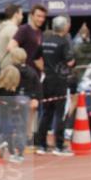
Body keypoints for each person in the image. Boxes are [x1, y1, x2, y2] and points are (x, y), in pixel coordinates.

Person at [35, 15, 74, 156]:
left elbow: (35, 58)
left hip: (47, 80)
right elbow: (70, 62)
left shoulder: (45, 40)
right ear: (65, 27)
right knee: (60, 113)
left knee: (46, 113)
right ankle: (59, 146)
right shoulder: (64, 42)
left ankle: (42, 145)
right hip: (60, 81)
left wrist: (45, 69)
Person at [0, 65, 27, 162]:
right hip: (9, 115)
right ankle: (13, 153)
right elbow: (14, 104)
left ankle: (1, 144)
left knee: (3, 132)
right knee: (10, 134)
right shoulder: (12, 92)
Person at [8, 4, 47, 72]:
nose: (41, 19)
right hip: (25, 73)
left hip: (36, 73)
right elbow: (11, 47)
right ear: (32, 16)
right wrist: (22, 65)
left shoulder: (40, 32)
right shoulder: (24, 29)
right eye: (38, 16)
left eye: (43, 17)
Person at [0, 4, 23, 70]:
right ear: (16, 14)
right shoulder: (12, 29)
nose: (22, 16)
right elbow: (16, 52)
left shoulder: (3, 27)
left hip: (5, 67)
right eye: (21, 14)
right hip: (11, 69)